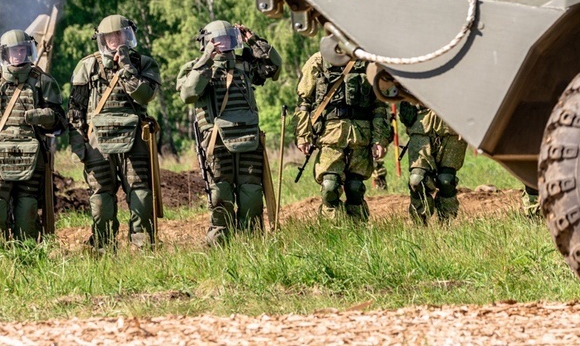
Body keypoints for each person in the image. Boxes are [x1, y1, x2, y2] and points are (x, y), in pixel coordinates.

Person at [177, 20, 281, 245]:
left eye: (227, 39)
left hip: (248, 139)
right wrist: (206, 59)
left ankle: (251, 243)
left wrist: (253, 41)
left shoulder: (245, 65)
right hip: (216, 142)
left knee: (252, 193)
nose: (222, 44)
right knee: (220, 194)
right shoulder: (196, 67)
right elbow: (188, 94)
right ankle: (219, 245)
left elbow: (274, 67)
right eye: (217, 40)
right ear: (206, 42)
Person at [67, 15, 162, 250]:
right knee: (100, 199)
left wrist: (127, 68)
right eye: (109, 36)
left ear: (128, 35)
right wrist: (79, 146)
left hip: (135, 141)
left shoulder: (142, 63)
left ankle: (143, 247)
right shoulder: (87, 66)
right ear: (101, 38)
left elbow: (145, 95)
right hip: (98, 143)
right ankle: (103, 247)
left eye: (119, 35)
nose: (114, 40)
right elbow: (75, 110)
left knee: (141, 196)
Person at [0, 29, 65, 244]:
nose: (18, 56)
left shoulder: (42, 81)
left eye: (22, 50)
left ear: (29, 51)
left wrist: (43, 115)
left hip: (31, 154)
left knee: (27, 209)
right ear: (4, 54)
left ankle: (27, 253)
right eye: (13, 51)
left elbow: (60, 120)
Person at [295, 53, 390, 221]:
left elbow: (379, 105)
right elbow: (304, 102)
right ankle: (333, 229)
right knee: (330, 186)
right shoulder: (319, 60)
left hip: (361, 134)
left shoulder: (369, 62)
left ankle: (358, 229)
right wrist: (303, 135)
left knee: (355, 187)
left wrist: (379, 139)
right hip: (330, 134)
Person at [397, 102, 469, 224]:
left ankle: (447, 223)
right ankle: (420, 224)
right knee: (416, 180)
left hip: (452, 125)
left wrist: (467, 121)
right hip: (420, 123)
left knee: (446, 181)